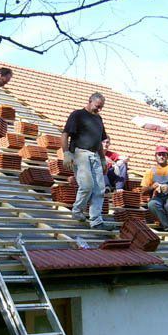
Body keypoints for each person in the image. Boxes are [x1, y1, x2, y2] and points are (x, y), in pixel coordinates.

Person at [62, 92, 114, 231]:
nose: (99, 109)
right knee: (87, 185)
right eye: (97, 106)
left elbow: (99, 141)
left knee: (100, 189)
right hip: (80, 153)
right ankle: (77, 211)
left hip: (95, 155)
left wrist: (102, 159)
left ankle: (96, 221)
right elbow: (65, 134)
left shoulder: (98, 119)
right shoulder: (78, 115)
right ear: (90, 101)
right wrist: (66, 153)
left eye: (101, 107)